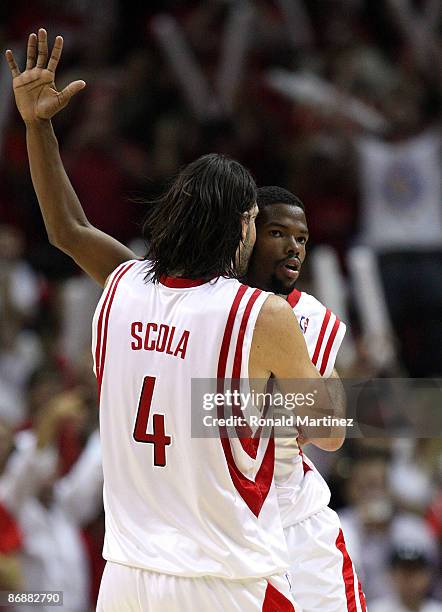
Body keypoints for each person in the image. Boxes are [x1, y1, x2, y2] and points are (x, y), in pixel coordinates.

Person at [6, 29, 345, 611]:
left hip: (128, 576)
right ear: (243, 229)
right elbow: (331, 429)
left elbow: (67, 230)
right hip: (225, 579)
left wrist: (38, 126)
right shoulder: (263, 314)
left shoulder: (122, 285)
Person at [246, 186, 367, 611]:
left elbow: (332, 435)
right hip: (232, 522)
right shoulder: (213, 302)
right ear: (247, 233)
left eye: (301, 238)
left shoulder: (310, 316)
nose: (293, 246)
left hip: (295, 514)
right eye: (278, 232)